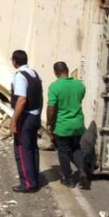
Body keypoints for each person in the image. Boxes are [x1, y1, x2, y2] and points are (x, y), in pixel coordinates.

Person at [47, 61, 89, 189]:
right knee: (76, 148)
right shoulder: (80, 85)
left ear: (55, 72)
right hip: (78, 123)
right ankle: (82, 170)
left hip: (63, 125)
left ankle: (68, 178)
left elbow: (51, 107)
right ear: (67, 69)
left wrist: (49, 123)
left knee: (63, 152)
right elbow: (78, 100)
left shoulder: (54, 87)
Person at [10, 50, 43, 193]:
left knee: (22, 150)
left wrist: (13, 121)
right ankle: (34, 178)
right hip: (35, 115)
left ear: (15, 62)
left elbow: (21, 100)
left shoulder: (20, 76)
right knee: (32, 149)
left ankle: (28, 183)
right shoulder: (34, 73)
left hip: (26, 117)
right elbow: (40, 96)